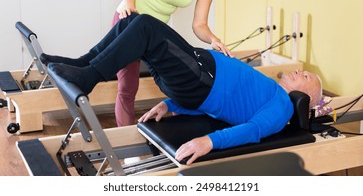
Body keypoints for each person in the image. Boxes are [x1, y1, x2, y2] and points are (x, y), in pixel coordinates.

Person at [41, 13, 322, 165]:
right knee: (134, 21)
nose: (300, 71)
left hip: (200, 78)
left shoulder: (282, 105)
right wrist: (170, 105)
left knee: (145, 28)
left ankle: (88, 76)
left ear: (306, 98)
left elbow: (252, 131)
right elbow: (220, 109)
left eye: (306, 77)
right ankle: (83, 64)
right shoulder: (270, 90)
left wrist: (208, 142)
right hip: (195, 77)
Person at [111, 0, 240, 127]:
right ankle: (126, 149)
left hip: (153, 33)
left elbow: (199, 25)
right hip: (129, 20)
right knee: (128, 86)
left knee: (179, 78)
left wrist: (214, 39)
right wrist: (130, 7)